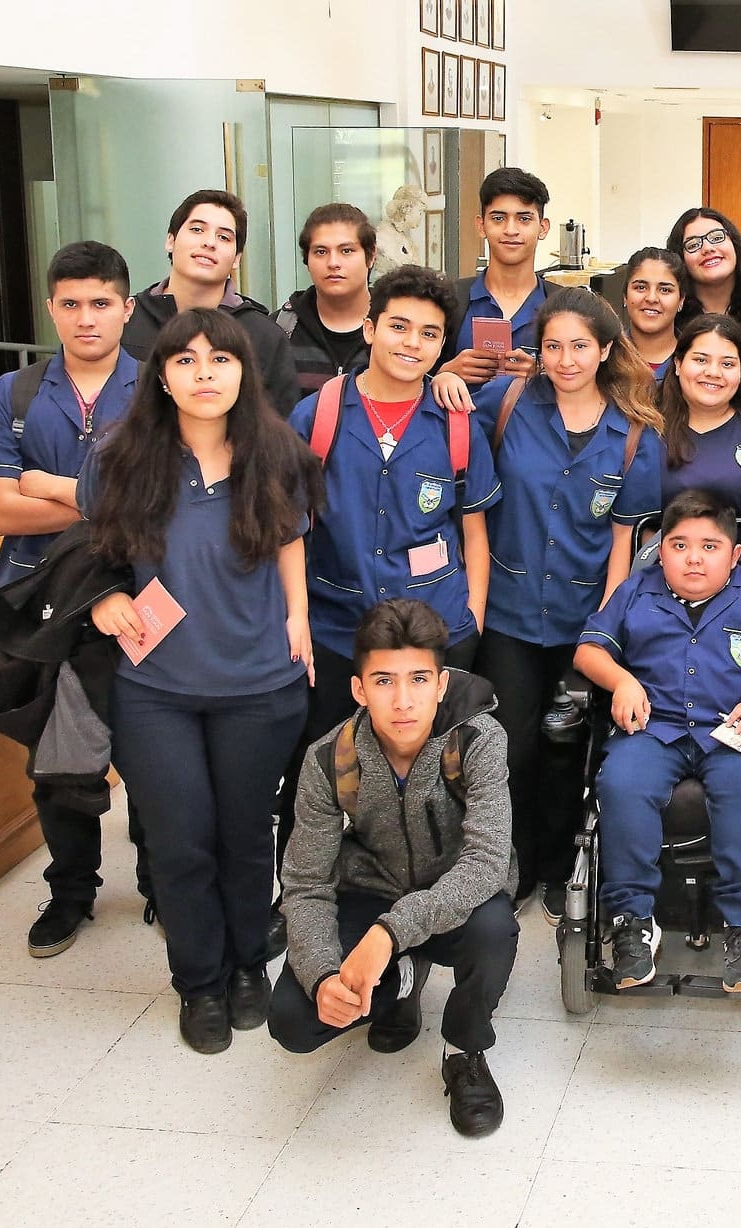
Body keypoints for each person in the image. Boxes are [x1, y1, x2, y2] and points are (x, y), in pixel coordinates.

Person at [81, 309, 324, 1054]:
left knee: (247, 836)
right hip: (156, 689)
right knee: (181, 841)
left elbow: (291, 543)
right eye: (185, 361)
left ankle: (251, 963)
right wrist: (104, 597)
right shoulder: (121, 456)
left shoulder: (277, 451)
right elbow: (91, 550)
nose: (205, 374)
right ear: (160, 375)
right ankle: (200, 980)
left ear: (244, 371)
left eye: (221, 359)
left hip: (258, 682)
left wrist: (298, 621)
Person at [278, 264, 501, 867]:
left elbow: (473, 528)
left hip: (435, 628)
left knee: (432, 770)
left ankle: (427, 890)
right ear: (370, 329)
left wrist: (473, 615)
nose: (412, 344)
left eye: (430, 334)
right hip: (334, 628)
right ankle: (303, 891)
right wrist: (296, 618)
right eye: (399, 327)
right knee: (321, 764)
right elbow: (290, 530)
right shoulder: (317, 417)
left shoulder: (457, 424)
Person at [269, 599, 518, 1139]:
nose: (403, 701)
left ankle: (464, 1047)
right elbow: (306, 884)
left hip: (456, 900)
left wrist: (389, 934)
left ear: (442, 683)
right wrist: (322, 976)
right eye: (383, 681)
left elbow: (487, 862)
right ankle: (400, 981)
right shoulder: (326, 759)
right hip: (372, 890)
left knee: (496, 928)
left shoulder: (479, 740)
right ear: (359, 689)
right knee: (293, 1021)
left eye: (418, 679)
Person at [0, 241, 142, 956]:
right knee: (54, 758)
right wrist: (102, 505)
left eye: (101, 303)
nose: (86, 318)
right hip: (41, 602)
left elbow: (162, 510)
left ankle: (162, 881)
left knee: (149, 748)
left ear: (128, 308)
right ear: (50, 309)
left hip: (135, 599)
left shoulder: (160, 387)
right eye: (70, 304)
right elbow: (0, 513)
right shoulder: (16, 394)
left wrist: (47, 485)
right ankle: (72, 888)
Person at [472, 286, 665, 909]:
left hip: (584, 617)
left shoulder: (635, 436)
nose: (566, 359)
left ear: (606, 349)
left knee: (570, 749)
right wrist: (448, 381)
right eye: (552, 345)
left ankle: (559, 869)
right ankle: (513, 864)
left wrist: (604, 630)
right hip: (508, 610)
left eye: (580, 345)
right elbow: (450, 440)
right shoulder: (504, 404)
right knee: (509, 745)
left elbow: (623, 542)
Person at [574, 491, 741, 992]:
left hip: (736, 731)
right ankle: (632, 924)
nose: (694, 557)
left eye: (709, 546)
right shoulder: (637, 591)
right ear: (660, 551)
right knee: (622, 785)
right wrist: (622, 681)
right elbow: (589, 650)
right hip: (653, 728)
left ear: (734, 554)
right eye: (678, 545)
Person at [121, 189, 299, 415]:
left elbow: (278, 428)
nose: (209, 242)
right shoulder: (127, 319)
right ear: (170, 240)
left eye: (224, 237)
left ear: (236, 259)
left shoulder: (263, 335)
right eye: (197, 229)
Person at [438, 168, 552, 390]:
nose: (511, 230)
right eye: (498, 218)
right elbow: (407, 372)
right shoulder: (449, 299)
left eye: (524, 219)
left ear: (543, 227)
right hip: (459, 423)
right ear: (481, 226)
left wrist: (545, 375)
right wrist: (445, 373)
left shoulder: (563, 305)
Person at [658, 312, 741, 510]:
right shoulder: (647, 429)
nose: (713, 372)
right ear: (678, 364)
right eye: (701, 360)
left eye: (727, 364)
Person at [275, 203, 376, 398]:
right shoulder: (279, 330)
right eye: (321, 252)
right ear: (307, 260)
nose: (333, 263)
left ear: (371, 256)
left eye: (346, 251)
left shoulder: (396, 329)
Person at [667, 206, 741, 336]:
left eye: (717, 238)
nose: (707, 248)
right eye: (693, 245)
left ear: (735, 244)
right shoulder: (670, 323)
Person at [621, 246, 689, 377]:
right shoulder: (604, 359)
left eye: (665, 290)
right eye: (641, 287)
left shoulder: (694, 362)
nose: (651, 298)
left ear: (681, 300)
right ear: (625, 296)